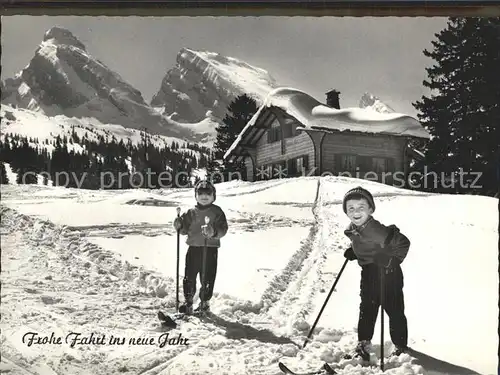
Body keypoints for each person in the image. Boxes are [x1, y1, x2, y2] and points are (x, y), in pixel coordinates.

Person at [342, 186, 410, 359]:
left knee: (393, 309)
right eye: (351, 208)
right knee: (367, 308)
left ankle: (400, 344)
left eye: (361, 207)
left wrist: (391, 260)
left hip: (389, 273)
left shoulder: (376, 229)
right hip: (369, 273)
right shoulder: (354, 227)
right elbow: (365, 242)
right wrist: (354, 251)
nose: (356, 212)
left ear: (370, 209)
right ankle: (363, 342)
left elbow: (403, 243)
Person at [173, 179, 228, 314]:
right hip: (193, 249)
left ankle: (205, 302)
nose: (204, 196)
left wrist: (213, 232)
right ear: (196, 195)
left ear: (213, 196)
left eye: (208, 194)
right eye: (201, 193)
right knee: (189, 276)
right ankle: (188, 302)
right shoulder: (191, 212)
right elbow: (184, 230)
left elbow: (223, 229)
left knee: (207, 276)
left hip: (210, 249)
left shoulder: (217, 211)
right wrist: (178, 225)